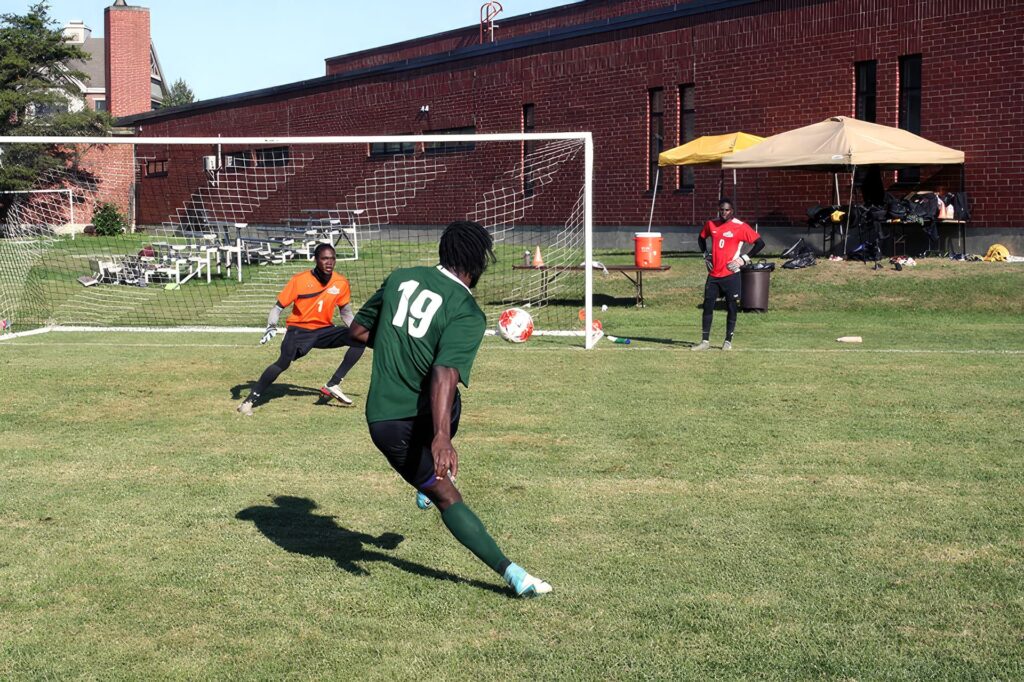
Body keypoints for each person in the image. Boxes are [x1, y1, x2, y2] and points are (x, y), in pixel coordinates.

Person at [346, 220, 552, 598]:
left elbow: (357, 332)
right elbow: (444, 372)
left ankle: (426, 479)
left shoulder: (400, 278)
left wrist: (399, 342)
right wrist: (442, 437)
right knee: (447, 495)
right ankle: (515, 576)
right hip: (414, 423)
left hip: (383, 420)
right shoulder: (467, 311)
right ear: (476, 265)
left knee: (450, 407)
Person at [237, 243, 365, 415]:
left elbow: (346, 312)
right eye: (324, 258)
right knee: (283, 363)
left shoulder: (341, 282)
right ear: (316, 260)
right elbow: (277, 308)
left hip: (323, 330)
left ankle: (333, 383)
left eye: (332, 258)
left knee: (360, 340)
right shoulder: (299, 280)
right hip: (299, 330)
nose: (329, 262)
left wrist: (358, 330)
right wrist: (271, 326)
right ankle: (249, 401)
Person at [692, 199, 765, 351]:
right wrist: (705, 255)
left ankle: (728, 341)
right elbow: (701, 238)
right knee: (707, 306)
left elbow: (760, 243)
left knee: (731, 307)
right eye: (721, 210)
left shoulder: (740, 226)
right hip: (713, 275)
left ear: (732, 211)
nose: (724, 212)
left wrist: (743, 259)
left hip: (731, 274)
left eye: (727, 210)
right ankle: (705, 341)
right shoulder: (711, 224)